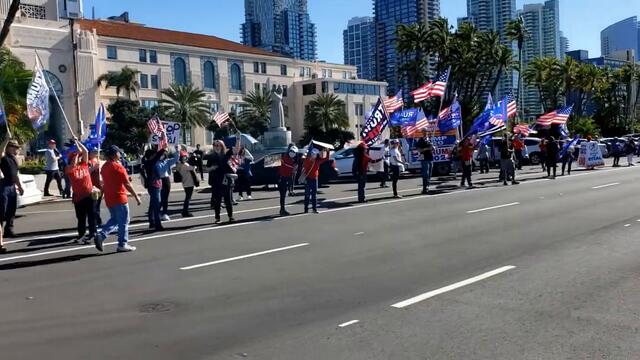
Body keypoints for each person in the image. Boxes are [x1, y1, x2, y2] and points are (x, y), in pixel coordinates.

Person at [94, 145, 141, 253]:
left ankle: (101, 235)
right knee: (124, 221)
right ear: (115, 154)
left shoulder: (105, 166)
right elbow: (127, 184)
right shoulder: (118, 167)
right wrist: (136, 196)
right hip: (119, 197)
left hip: (109, 197)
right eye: (119, 153)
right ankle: (122, 244)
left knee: (115, 219)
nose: (120, 154)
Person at [65, 139, 97, 244]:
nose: (78, 158)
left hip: (89, 194)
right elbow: (73, 164)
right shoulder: (69, 169)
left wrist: (78, 142)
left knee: (92, 216)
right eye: (75, 157)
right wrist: (76, 154)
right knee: (81, 218)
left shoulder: (84, 165)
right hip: (79, 197)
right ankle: (81, 235)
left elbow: (86, 152)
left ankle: (92, 234)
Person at [0, 140, 23, 250]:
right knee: (2, 211)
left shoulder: (13, 159)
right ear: (8, 147)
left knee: (11, 209)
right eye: (13, 147)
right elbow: (1, 152)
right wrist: (6, 140)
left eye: (16, 147)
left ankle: (9, 230)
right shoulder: (3, 157)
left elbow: (15, 174)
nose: (16, 149)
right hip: (3, 186)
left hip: (11, 186)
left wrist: (19, 186)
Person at [207, 140, 235, 223]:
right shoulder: (211, 157)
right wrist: (212, 168)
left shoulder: (226, 155)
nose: (216, 147)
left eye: (218, 145)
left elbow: (236, 150)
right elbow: (206, 168)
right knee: (217, 201)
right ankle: (217, 217)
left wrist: (237, 139)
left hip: (226, 180)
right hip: (215, 181)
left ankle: (230, 216)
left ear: (222, 146)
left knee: (228, 200)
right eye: (215, 145)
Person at [302, 148, 329, 213]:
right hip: (308, 178)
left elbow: (326, 159)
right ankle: (306, 209)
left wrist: (327, 152)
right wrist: (307, 157)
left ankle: (314, 208)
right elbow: (304, 162)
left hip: (314, 179)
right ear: (310, 154)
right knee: (307, 194)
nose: (313, 155)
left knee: (314, 195)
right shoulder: (307, 160)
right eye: (312, 154)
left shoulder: (317, 161)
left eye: (315, 154)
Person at [176, 151, 198, 218]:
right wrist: (195, 160)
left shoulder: (179, 165)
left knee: (187, 198)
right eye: (183, 157)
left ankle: (185, 211)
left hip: (185, 182)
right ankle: (185, 211)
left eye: (185, 157)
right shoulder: (185, 165)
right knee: (188, 198)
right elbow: (193, 167)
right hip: (189, 183)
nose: (185, 158)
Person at [278, 144, 298, 216]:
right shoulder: (286, 158)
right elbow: (291, 169)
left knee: (283, 195)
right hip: (282, 178)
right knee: (282, 195)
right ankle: (282, 210)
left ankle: (282, 209)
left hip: (284, 178)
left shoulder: (287, 158)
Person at [88, 148, 103, 227]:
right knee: (94, 206)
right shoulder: (89, 162)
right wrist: (94, 167)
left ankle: (97, 221)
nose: (96, 153)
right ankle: (97, 221)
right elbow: (87, 172)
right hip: (93, 188)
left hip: (100, 186)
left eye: (97, 152)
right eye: (94, 152)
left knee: (97, 206)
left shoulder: (99, 161)